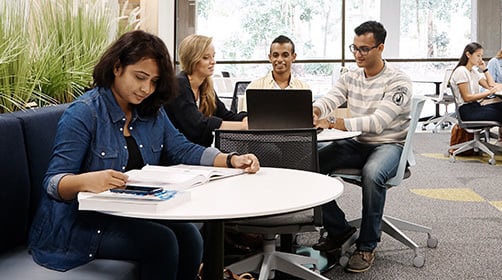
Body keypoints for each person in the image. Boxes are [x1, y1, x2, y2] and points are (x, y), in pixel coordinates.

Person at [27, 30, 260, 280]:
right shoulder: (84, 113)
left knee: (191, 236)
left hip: (128, 214)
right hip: (80, 225)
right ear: (117, 67)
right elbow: (52, 183)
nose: (146, 89)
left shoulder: (151, 112)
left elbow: (181, 148)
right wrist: (85, 181)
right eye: (140, 77)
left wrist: (230, 159)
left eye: (154, 81)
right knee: (162, 242)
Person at [310, 20, 411, 273]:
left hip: (389, 145)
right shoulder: (351, 75)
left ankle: (367, 246)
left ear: (380, 48)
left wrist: (333, 120)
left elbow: (377, 123)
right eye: (354, 48)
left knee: (373, 173)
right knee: (308, 165)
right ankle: (339, 230)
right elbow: (332, 97)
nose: (357, 54)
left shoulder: (399, 81)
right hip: (357, 143)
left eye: (364, 49)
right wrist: (317, 109)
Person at [165, 34, 248, 148]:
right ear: (192, 59)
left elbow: (225, 115)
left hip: (198, 150)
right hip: (179, 153)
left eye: (213, 56)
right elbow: (197, 124)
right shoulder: (179, 85)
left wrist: (245, 118)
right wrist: (243, 126)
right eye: (206, 57)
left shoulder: (206, 86)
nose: (213, 61)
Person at [447, 42, 502, 153]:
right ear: (468, 55)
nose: (480, 59)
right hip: (467, 111)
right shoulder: (461, 71)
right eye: (478, 55)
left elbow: (491, 85)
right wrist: (488, 93)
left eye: (481, 56)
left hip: (476, 107)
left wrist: (484, 69)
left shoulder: (473, 72)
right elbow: (467, 98)